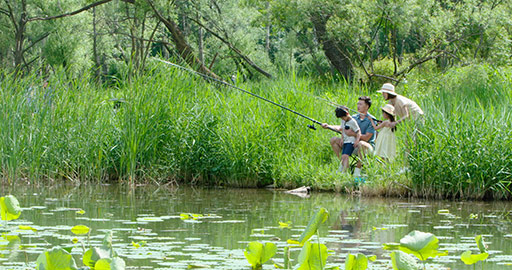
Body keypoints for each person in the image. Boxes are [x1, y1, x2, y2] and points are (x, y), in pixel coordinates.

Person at [326, 97, 376, 177]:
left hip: (366, 146)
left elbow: (367, 138)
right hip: (352, 144)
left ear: (367, 106)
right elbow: (341, 127)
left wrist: (353, 134)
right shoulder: (353, 117)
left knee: (361, 143)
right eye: (357, 104)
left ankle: (357, 171)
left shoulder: (371, 120)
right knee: (334, 140)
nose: (358, 106)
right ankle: (344, 166)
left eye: (360, 104)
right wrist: (328, 126)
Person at [322, 107, 361, 172]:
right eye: (341, 118)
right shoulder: (343, 121)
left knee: (345, 156)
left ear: (347, 114)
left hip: (351, 142)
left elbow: (358, 131)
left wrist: (357, 140)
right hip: (345, 141)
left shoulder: (352, 121)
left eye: (343, 117)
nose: (343, 119)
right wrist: (342, 139)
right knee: (343, 156)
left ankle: (345, 171)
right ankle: (344, 169)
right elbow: (343, 129)